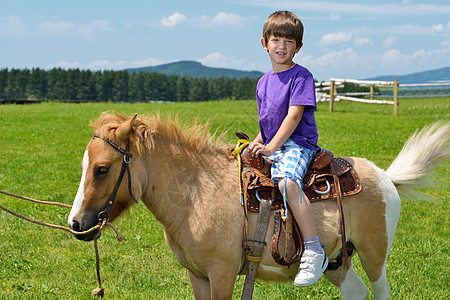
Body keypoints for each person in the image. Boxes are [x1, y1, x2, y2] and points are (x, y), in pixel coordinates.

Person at [248, 10, 328, 287]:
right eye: (276, 40)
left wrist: (271, 147)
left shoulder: (301, 77)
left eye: (289, 42)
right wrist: (258, 142)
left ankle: (314, 249)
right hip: (275, 142)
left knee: (287, 182)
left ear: (299, 47)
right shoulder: (262, 82)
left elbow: (293, 117)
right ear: (264, 43)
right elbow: (269, 122)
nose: (282, 47)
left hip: (297, 143)